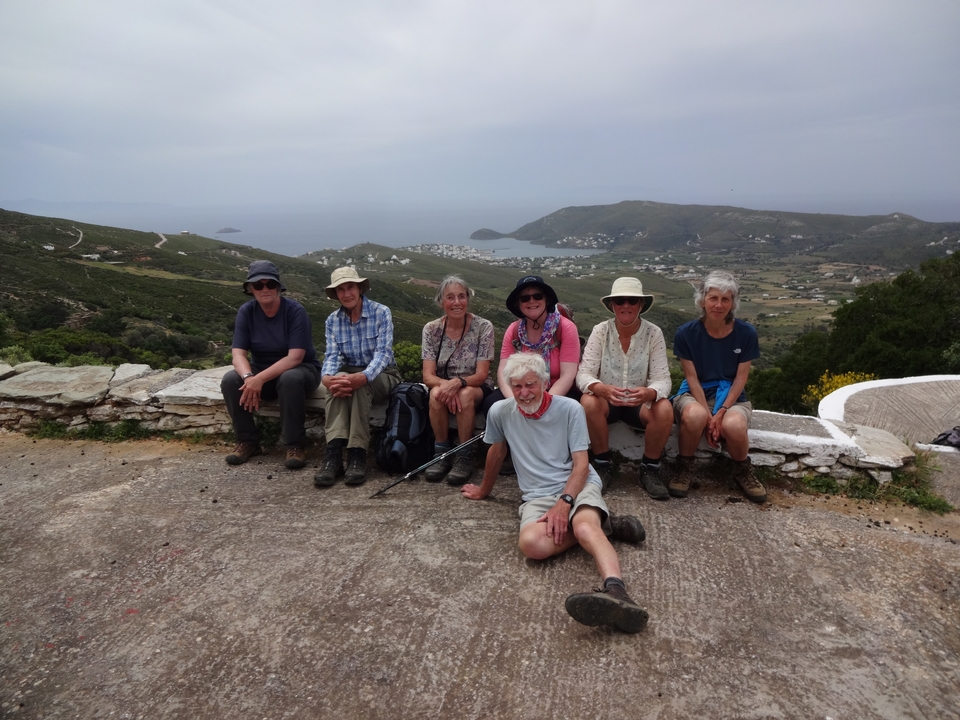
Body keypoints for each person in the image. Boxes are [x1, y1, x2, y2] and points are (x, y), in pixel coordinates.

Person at [462, 353, 650, 634]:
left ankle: (617, 592)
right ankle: (608, 525)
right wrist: (483, 490)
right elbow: (497, 450)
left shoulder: (569, 408)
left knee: (585, 528)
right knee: (531, 546)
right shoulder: (500, 411)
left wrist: (565, 503)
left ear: (545, 382)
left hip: (577, 483)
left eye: (530, 384)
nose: (524, 393)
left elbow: (582, 464)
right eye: (517, 386)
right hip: (537, 496)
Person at [672, 270, 765, 502]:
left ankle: (742, 471)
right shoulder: (686, 334)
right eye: (713, 298)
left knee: (733, 425)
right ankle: (684, 467)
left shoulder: (746, 334)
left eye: (726, 299)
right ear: (702, 300)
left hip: (732, 396)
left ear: (733, 303)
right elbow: (692, 379)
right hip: (696, 393)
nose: (719, 305)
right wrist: (707, 415)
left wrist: (721, 412)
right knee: (695, 416)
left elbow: (741, 379)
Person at [577, 277, 674, 498]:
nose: (626, 305)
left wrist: (650, 392)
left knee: (665, 408)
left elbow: (662, 379)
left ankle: (650, 468)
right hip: (606, 403)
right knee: (588, 401)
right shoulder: (601, 331)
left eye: (632, 300)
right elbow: (584, 374)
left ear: (641, 305)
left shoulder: (653, 333)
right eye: (620, 301)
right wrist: (600, 388)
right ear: (612, 305)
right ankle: (603, 463)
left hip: (639, 405)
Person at [221, 260, 322, 469]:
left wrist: (258, 378)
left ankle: (295, 445)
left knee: (290, 378)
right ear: (250, 289)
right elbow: (238, 354)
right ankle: (247, 441)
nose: (264, 289)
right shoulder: (246, 312)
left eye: (270, 284)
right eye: (258, 285)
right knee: (231, 380)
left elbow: (295, 357)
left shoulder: (295, 311)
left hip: (302, 370)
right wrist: (250, 378)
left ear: (278, 287)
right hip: (262, 370)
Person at [314, 267, 400, 487]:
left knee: (360, 385)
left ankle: (356, 454)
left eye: (350, 287)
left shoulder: (381, 312)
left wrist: (364, 376)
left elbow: (383, 354)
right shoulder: (333, 320)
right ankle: (333, 454)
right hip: (350, 373)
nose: (346, 294)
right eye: (340, 289)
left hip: (384, 375)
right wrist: (328, 378)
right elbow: (333, 355)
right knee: (337, 382)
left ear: (360, 288)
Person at [421, 275, 495, 485]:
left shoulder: (483, 327)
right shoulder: (431, 329)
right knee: (436, 394)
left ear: (467, 299)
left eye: (461, 296)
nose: (457, 302)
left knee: (464, 394)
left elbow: (481, 375)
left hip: (476, 387)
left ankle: (464, 455)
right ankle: (441, 453)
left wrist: (457, 383)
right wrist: (447, 386)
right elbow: (427, 376)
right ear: (441, 301)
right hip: (444, 386)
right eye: (450, 297)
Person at [481, 275, 581, 415]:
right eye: (525, 298)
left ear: (546, 299)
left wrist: (545, 403)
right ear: (519, 304)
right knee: (491, 404)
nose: (532, 301)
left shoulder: (565, 328)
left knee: (565, 409)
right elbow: (503, 374)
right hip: (521, 391)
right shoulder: (514, 331)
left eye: (538, 296)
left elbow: (567, 375)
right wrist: (516, 401)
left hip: (558, 390)